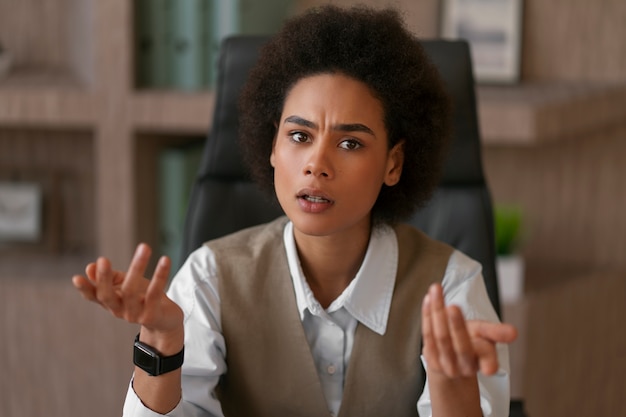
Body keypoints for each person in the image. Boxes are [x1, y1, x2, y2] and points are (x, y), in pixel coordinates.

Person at [72, 5, 517, 417]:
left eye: (350, 143)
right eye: (299, 136)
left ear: (393, 164)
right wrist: (162, 344)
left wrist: (452, 389)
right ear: (272, 146)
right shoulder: (209, 278)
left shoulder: (453, 288)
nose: (316, 164)